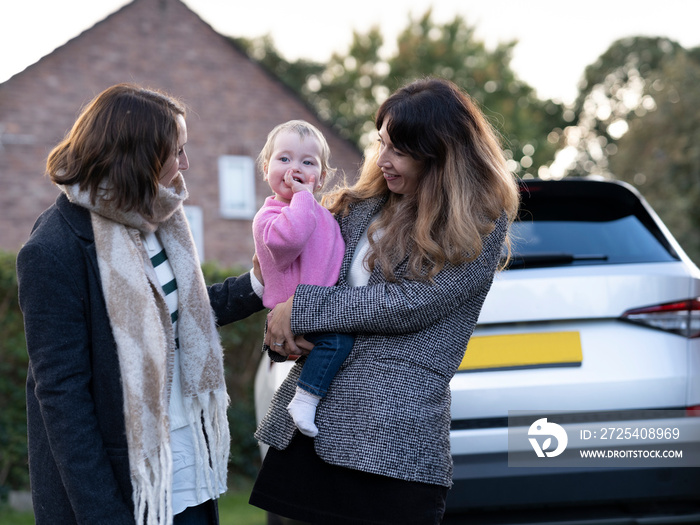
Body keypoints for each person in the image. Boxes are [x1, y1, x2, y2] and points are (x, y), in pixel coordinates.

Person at [249, 77, 520, 524]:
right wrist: (283, 331)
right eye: (382, 144)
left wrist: (303, 309)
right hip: (312, 431)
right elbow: (301, 274)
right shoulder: (358, 206)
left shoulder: (478, 227)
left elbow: (410, 303)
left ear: (439, 155)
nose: (383, 160)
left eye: (399, 150)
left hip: (390, 441)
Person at [16, 83, 264, 525]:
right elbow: (62, 398)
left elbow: (180, 315)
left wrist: (258, 284)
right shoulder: (52, 249)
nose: (186, 164)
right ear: (137, 154)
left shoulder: (158, 217)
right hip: (123, 481)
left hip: (185, 455)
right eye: (177, 151)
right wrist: (104, 514)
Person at [253, 120, 353, 438]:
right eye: (284, 159)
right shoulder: (269, 216)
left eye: (307, 162)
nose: (294, 168)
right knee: (338, 343)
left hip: (320, 310)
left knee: (341, 343)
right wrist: (302, 199)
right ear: (266, 167)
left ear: (321, 178)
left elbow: (336, 258)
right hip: (293, 312)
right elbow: (288, 242)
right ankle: (305, 399)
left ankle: (309, 397)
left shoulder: (321, 213)